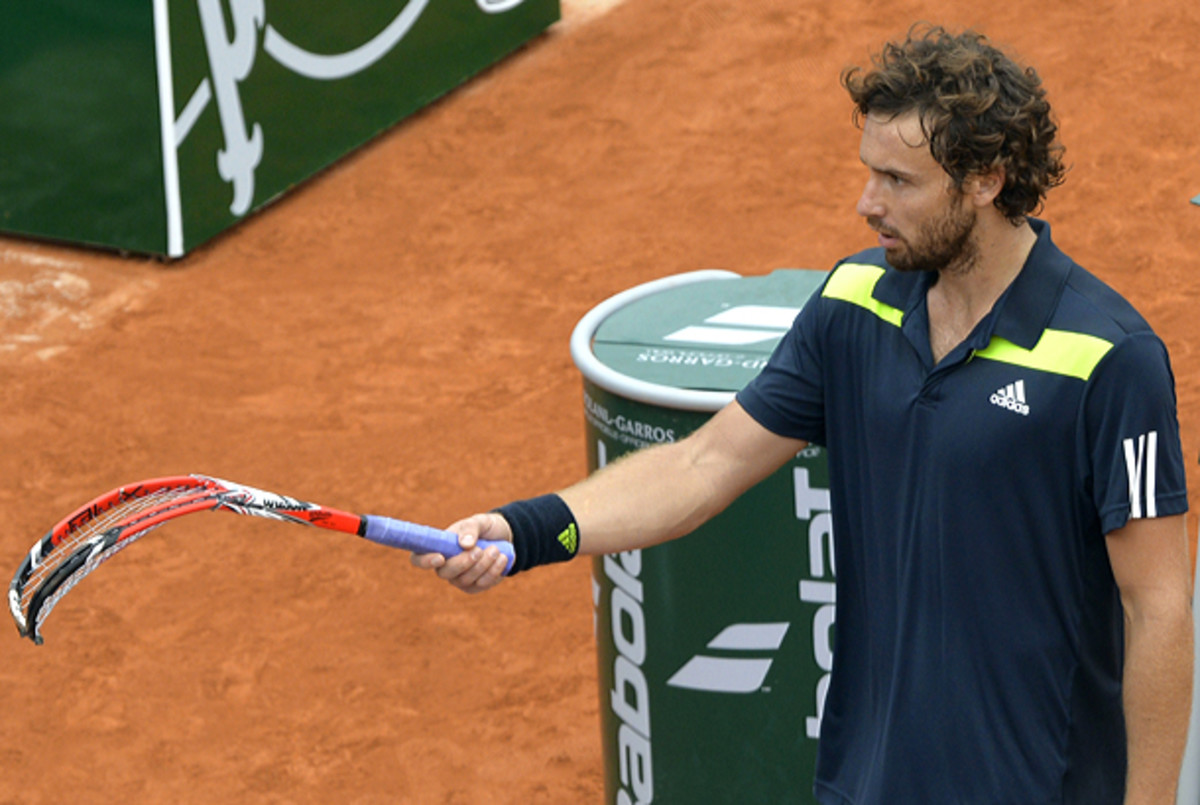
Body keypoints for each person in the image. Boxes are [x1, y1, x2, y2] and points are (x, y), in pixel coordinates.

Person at [411, 23, 1194, 805]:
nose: (867, 203)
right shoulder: (853, 306)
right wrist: (527, 529)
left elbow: (1156, 605)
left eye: (899, 181)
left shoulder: (1105, 358)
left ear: (986, 180)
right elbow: (702, 464)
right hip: (865, 782)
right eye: (868, 173)